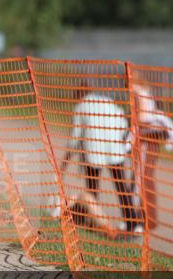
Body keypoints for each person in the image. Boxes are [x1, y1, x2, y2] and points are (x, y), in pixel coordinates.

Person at [58, 82, 142, 236]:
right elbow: (123, 124)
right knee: (122, 188)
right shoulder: (106, 102)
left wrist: (64, 163)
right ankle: (134, 224)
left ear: (78, 95)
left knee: (92, 189)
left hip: (94, 151)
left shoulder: (81, 106)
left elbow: (75, 138)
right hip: (115, 149)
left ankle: (92, 221)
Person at [131, 83, 173, 232]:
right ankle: (145, 219)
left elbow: (142, 120)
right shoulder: (142, 94)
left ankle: (140, 220)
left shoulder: (137, 92)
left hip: (147, 139)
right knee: (144, 179)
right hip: (147, 137)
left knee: (140, 180)